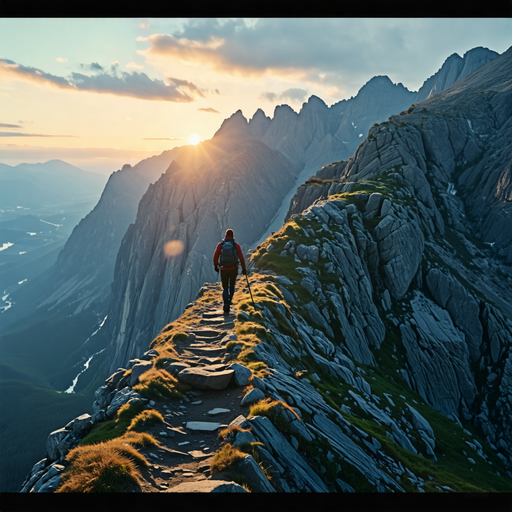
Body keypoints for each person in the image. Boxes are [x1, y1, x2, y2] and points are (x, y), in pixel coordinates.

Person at [213, 229, 247, 313]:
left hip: (224, 269)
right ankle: (229, 301)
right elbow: (241, 258)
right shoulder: (236, 245)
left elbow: (215, 256)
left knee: (225, 287)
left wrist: (216, 266)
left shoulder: (220, 245)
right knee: (232, 285)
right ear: (233, 236)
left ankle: (225, 303)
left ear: (225, 235)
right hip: (233, 268)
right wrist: (243, 269)